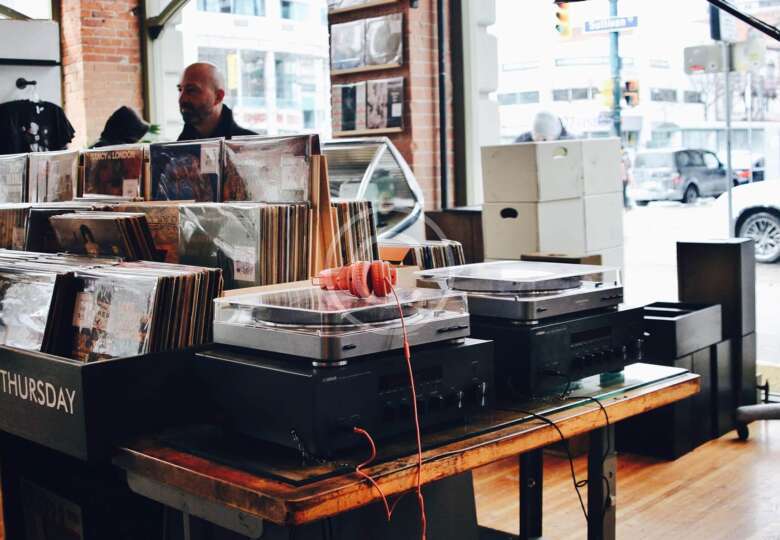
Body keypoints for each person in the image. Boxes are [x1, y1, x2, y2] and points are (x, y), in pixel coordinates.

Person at [177, 62, 256, 141]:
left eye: (191, 90)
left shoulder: (250, 145)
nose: (182, 99)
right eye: (180, 90)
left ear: (218, 96)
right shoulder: (180, 145)